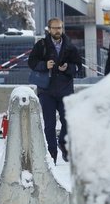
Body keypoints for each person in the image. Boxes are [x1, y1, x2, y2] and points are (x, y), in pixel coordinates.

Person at [27, 17, 83, 163]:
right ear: (49, 29)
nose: (58, 31)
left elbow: (78, 66)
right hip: (47, 91)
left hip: (65, 90)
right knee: (49, 125)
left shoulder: (70, 46)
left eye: (60, 28)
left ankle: (63, 144)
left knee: (68, 121)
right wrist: (45, 65)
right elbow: (31, 62)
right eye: (55, 28)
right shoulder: (42, 45)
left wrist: (68, 68)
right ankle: (52, 156)